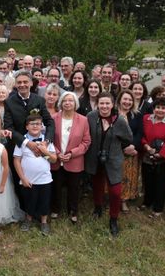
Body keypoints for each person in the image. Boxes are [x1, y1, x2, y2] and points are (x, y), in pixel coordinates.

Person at [85, 92, 134, 236]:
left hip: (113, 160)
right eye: (102, 103)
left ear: (113, 104)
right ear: (97, 104)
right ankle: (98, 208)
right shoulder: (91, 117)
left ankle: (113, 219)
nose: (104, 106)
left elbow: (128, 138)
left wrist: (120, 148)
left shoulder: (119, 120)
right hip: (95, 158)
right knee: (97, 185)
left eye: (107, 103)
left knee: (115, 191)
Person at [4, 72, 55, 201]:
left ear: (31, 83)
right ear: (15, 84)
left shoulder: (39, 100)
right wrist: (27, 143)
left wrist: (46, 142)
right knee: (18, 176)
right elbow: (9, 127)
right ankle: (23, 208)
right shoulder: (9, 102)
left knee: (39, 175)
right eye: (19, 82)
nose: (22, 85)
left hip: (40, 145)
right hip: (18, 145)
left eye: (25, 82)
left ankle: (40, 207)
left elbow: (50, 122)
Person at [14, 114, 58, 235]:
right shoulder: (21, 141)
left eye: (38, 124)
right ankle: (28, 219)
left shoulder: (46, 140)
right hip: (28, 179)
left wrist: (45, 151)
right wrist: (22, 178)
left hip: (45, 179)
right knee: (29, 200)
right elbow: (16, 160)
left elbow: (54, 159)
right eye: (32, 124)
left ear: (42, 126)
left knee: (44, 201)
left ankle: (44, 222)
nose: (35, 126)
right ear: (27, 126)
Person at [51, 92, 91, 224]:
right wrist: (57, 153)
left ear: (75, 104)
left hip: (74, 160)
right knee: (56, 187)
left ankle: (73, 211)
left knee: (74, 188)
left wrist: (72, 153)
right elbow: (48, 139)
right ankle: (55, 209)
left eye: (71, 101)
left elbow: (86, 142)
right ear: (61, 103)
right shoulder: (53, 118)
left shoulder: (83, 120)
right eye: (65, 101)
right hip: (56, 159)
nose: (68, 103)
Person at [140, 98, 165, 217]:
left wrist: (160, 154)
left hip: (162, 159)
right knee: (147, 181)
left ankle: (158, 208)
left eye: (163, 108)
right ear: (153, 108)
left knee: (160, 183)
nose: (160, 110)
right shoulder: (146, 119)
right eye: (157, 107)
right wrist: (146, 145)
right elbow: (142, 135)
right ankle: (147, 202)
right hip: (147, 155)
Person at [116, 90, 143, 211]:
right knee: (116, 176)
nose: (127, 102)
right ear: (120, 100)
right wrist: (122, 148)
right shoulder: (113, 113)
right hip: (116, 151)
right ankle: (114, 198)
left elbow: (140, 133)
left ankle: (124, 200)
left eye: (130, 100)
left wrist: (133, 146)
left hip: (131, 152)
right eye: (125, 99)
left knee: (127, 177)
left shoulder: (137, 115)